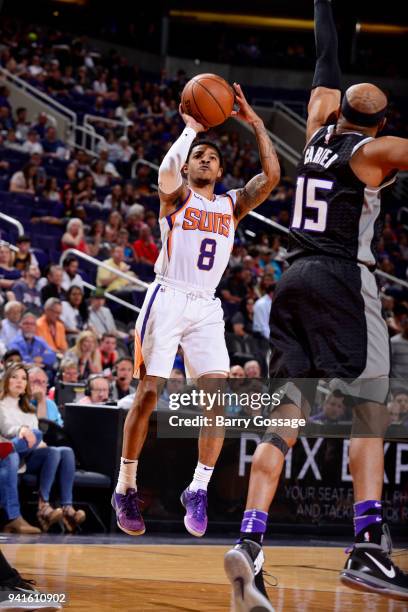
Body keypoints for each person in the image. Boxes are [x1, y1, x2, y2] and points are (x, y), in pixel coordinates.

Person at [224, 1, 408, 607]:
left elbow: (327, 55)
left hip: (292, 279)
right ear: (377, 127)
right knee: (369, 409)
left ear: (340, 111)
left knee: (288, 415)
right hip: (341, 280)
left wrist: (325, 5)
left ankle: (249, 542)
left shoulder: (318, 123)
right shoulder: (373, 155)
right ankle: (369, 548)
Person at [112, 86, 279, 538]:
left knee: (216, 401)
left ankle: (198, 488)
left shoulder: (231, 204)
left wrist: (257, 124)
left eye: (212, 157)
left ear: (221, 169)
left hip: (206, 305)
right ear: (188, 165)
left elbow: (271, 176)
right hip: (167, 297)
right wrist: (191, 130)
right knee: (149, 393)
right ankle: (126, 484)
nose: (205, 160)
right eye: (198, 156)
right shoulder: (176, 197)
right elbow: (167, 171)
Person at [0, 364, 85, 533]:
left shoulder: (29, 410)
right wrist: (22, 430)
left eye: (23, 379)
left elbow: (36, 440)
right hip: (6, 456)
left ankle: (49, 506)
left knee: (59, 450)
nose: (19, 381)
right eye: (14, 377)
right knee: (19, 448)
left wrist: (32, 437)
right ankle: (19, 516)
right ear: (5, 381)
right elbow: (6, 428)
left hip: (23, 455)